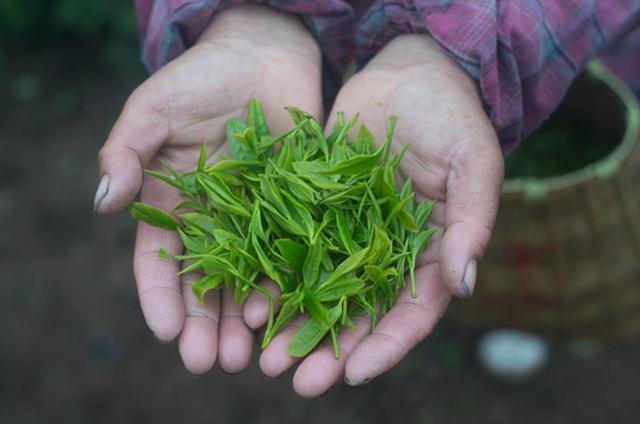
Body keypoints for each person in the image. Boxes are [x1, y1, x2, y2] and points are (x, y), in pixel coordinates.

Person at [93, 1, 640, 398]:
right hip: (384, 83)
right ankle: (502, 307)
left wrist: (457, 51)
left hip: (565, 49)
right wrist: (247, 14)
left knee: (465, 226)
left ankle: (523, 310)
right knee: (456, 243)